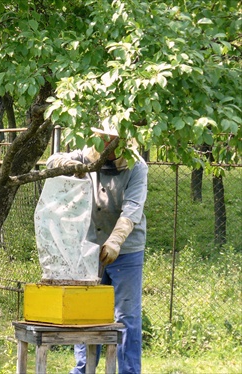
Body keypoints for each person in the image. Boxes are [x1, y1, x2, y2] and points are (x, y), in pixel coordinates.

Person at [46, 123, 148, 374]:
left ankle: (128, 371)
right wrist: (68, 165)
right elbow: (51, 161)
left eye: (114, 139)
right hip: (89, 247)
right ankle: (83, 369)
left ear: (124, 140)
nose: (108, 145)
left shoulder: (137, 167)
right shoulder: (86, 154)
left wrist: (115, 241)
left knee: (127, 317)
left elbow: (133, 208)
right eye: (104, 139)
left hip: (126, 249)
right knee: (87, 314)